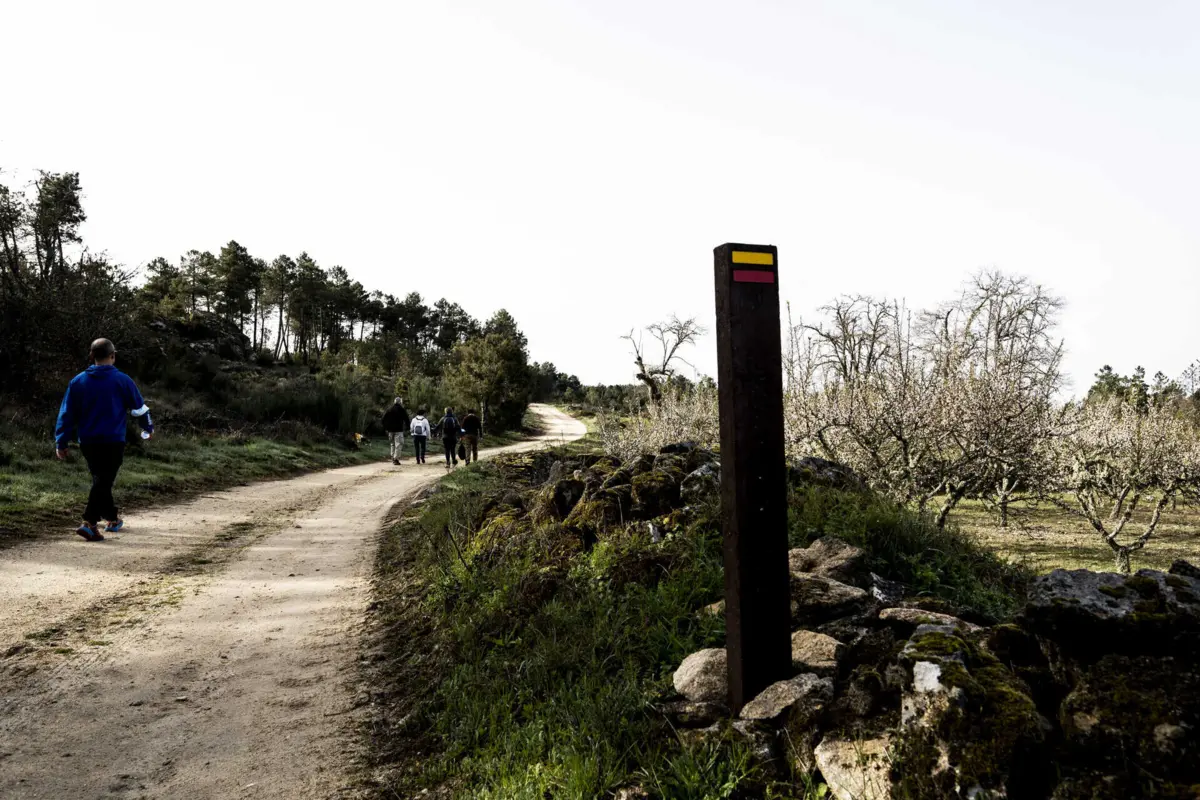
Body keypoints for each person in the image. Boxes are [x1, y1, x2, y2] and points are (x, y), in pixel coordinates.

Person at [54, 338, 154, 542]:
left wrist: (61, 441)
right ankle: (89, 523)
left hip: (88, 441)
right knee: (103, 480)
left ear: (92, 356)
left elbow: (66, 414)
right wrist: (147, 427)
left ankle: (112, 518)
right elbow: (139, 408)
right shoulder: (123, 380)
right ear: (113, 356)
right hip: (113, 440)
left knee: (101, 479)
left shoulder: (78, 381)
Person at [381, 397, 410, 465]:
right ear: (400, 402)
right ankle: (395, 458)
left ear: (394, 402)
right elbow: (406, 419)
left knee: (392, 444)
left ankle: (392, 456)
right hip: (398, 430)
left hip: (390, 430)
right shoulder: (401, 410)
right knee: (399, 444)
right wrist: (407, 427)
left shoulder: (389, 409)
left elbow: (383, 419)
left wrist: (386, 428)